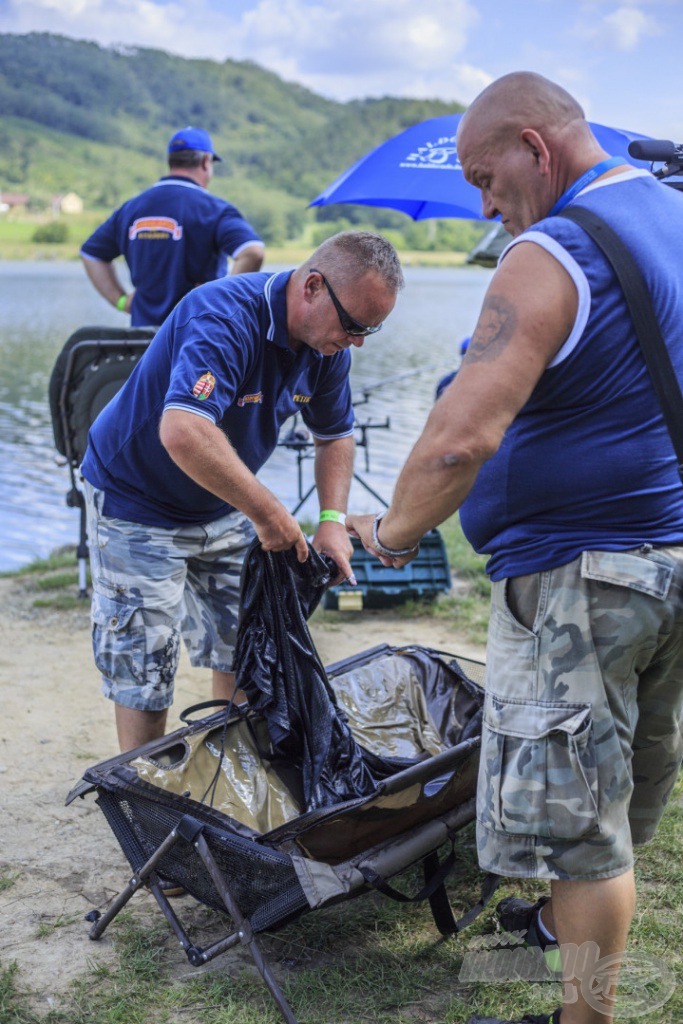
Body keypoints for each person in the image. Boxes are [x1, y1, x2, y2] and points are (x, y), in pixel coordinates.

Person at [347, 72, 683, 1024]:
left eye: (483, 176)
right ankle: (544, 938)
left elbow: (458, 437)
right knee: (610, 796)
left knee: (583, 838)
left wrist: (392, 532)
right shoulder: (667, 212)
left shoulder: (550, 252)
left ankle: (582, 1016)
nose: (482, 203)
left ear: (533, 147)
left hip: (583, 580)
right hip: (663, 556)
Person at [81, 230, 403, 754]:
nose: (358, 340)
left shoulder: (329, 346)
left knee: (244, 644)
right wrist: (271, 512)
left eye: (372, 328)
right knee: (146, 663)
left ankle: (229, 773)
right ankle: (146, 800)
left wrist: (330, 520)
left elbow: (335, 436)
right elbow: (184, 431)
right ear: (313, 287)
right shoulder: (224, 316)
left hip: (223, 501)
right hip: (136, 499)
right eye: (354, 325)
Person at [80, 126, 265, 326]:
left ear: (171, 161)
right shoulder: (213, 209)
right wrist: (221, 302)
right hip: (197, 337)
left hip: (143, 343)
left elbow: (91, 254)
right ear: (205, 162)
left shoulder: (131, 209)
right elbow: (253, 251)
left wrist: (121, 301)